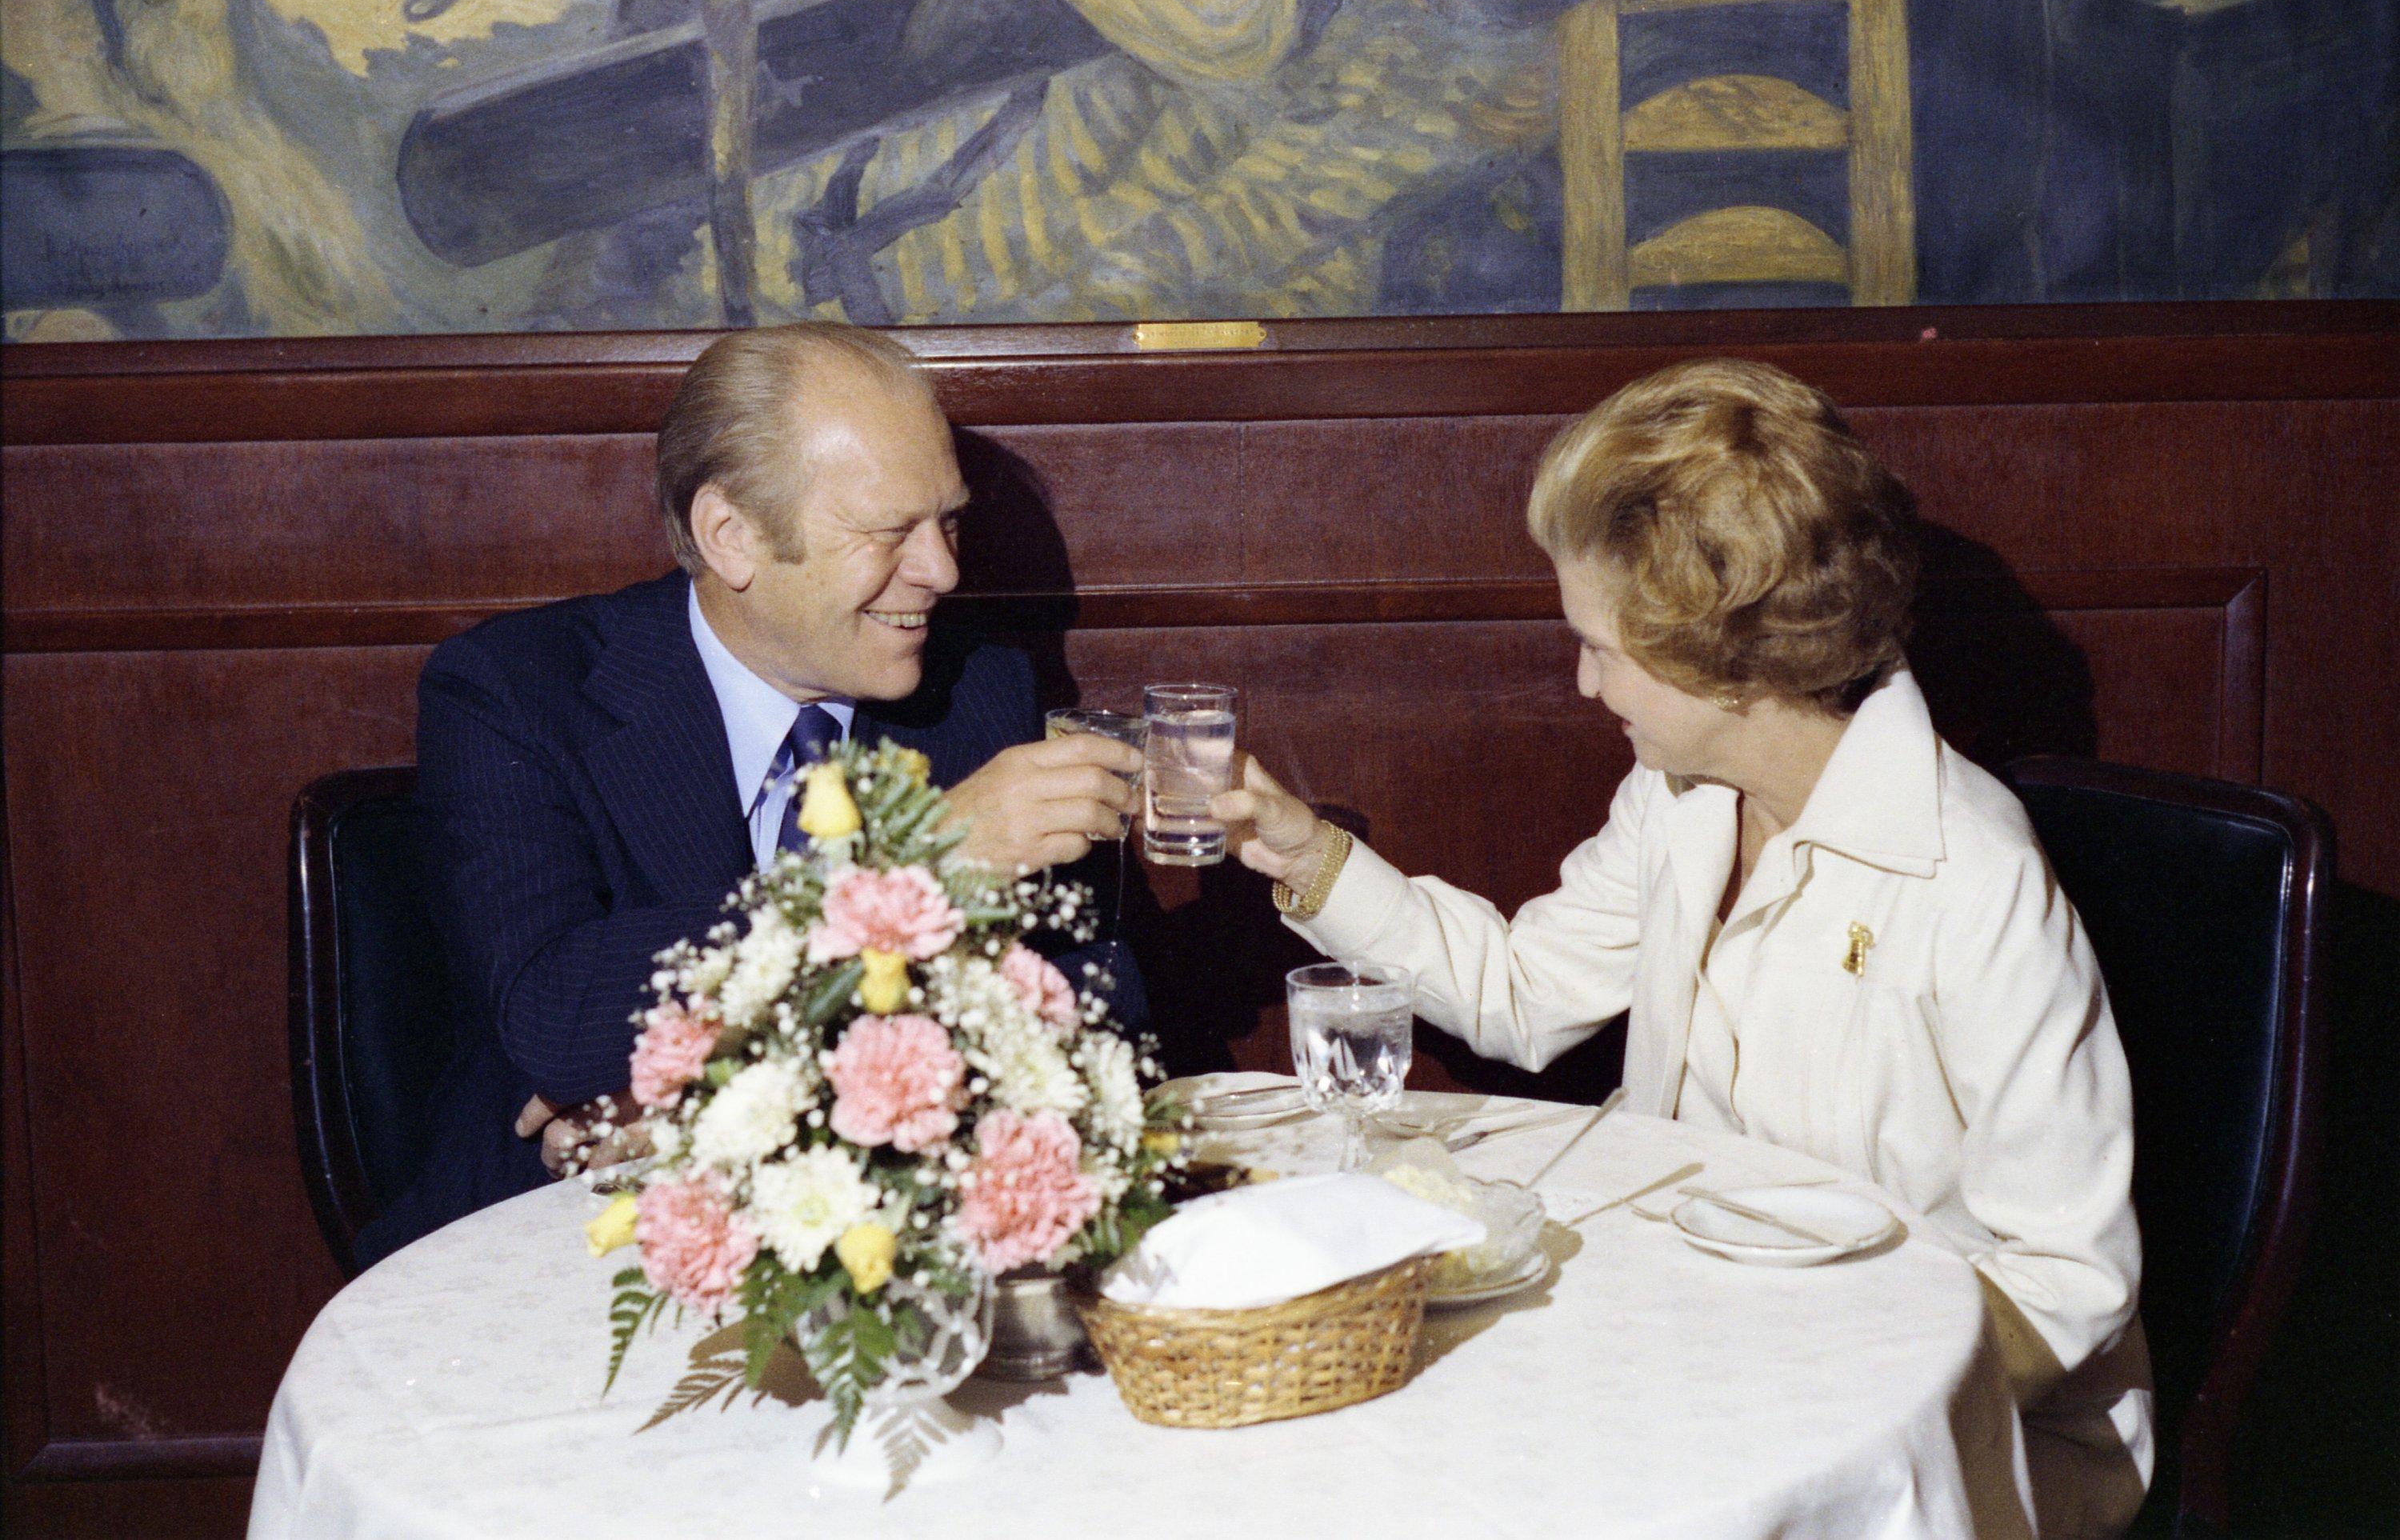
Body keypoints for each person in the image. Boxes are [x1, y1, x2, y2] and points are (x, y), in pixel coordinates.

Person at [1213, 358, 2152, 1538]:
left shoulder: (1973, 873)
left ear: (1731, 653)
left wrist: (1820, 1388)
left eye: (1604, 646)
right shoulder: (1683, 795)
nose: (1581, 677)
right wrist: (1306, 853)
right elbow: (1521, 991)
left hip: (1942, 1439)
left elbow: (2070, 1277)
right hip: (1699, 1358)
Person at [355, 323, 1142, 1266]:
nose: (943, 571)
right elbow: (559, 1017)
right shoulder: (515, 691)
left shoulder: (975, 695)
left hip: (867, 1247)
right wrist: (914, 865)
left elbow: (1094, 1007)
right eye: (890, 531)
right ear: (730, 536)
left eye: (949, 521)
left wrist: (729, 1108)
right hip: (545, 1242)